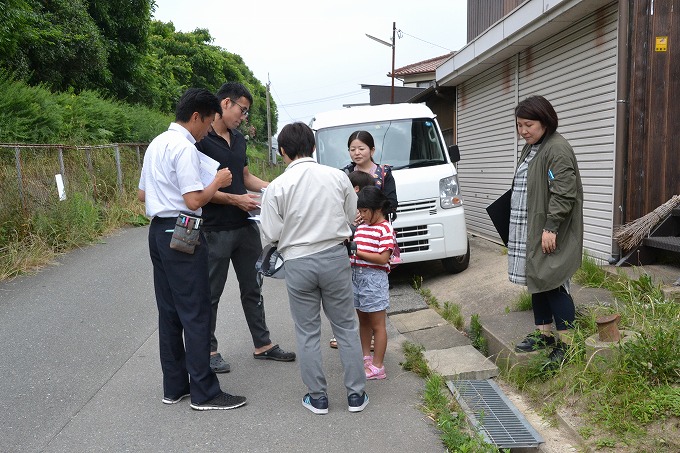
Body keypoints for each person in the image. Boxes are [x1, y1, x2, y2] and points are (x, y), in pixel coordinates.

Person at [137, 88, 247, 410]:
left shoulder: (156, 143)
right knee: (196, 312)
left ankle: (175, 387)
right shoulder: (184, 147)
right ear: (196, 116)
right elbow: (194, 200)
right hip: (182, 229)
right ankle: (205, 392)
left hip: (158, 231)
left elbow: (143, 195)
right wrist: (218, 181)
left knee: (169, 312)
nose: (205, 133)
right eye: (208, 123)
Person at [259, 122, 368, 415]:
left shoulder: (277, 187)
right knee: (345, 327)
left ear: (282, 151)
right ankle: (356, 396)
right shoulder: (337, 177)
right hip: (334, 256)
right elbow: (351, 216)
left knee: (307, 332)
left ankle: (318, 398)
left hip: (297, 262)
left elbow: (269, 233)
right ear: (313, 146)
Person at [196, 82, 295, 374]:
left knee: (253, 285)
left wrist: (274, 187)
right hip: (214, 228)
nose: (244, 117)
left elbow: (246, 177)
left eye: (247, 112)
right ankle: (209, 349)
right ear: (225, 103)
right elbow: (195, 191)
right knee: (211, 293)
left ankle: (262, 344)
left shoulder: (239, 139)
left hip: (246, 226)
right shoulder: (201, 139)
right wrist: (233, 200)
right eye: (242, 110)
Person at [508, 95, 583, 368]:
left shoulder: (556, 148)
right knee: (537, 278)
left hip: (551, 228)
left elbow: (564, 193)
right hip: (532, 226)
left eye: (528, 124)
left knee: (554, 282)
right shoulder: (532, 147)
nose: (523, 131)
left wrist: (551, 226)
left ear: (545, 121)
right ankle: (544, 335)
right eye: (519, 125)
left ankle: (568, 345)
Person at [351, 186, 396, 380]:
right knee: (363, 322)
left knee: (378, 325)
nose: (361, 215)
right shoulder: (362, 226)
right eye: (359, 211)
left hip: (374, 279)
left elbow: (382, 258)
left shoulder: (385, 228)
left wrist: (356, 251)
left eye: (364, 211)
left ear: (377, 209)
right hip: (357, 278)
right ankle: (366, 358)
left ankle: (378, 366)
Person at [328, 170, 376, 350]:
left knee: (366, 303)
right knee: (342, 302)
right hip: (344, 265)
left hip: (364, 268)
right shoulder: (342, 209)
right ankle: (339, 334)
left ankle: (368, 336)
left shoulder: (368, 215)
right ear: (356, 190)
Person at [341, 130, 398, 218]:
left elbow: (392, 203)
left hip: (377, 227)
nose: (357, 153)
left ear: (372, 150)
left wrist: (368, 212)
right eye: (352, 149)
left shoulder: (384, 173)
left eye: (361, 149)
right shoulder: (344, 174)